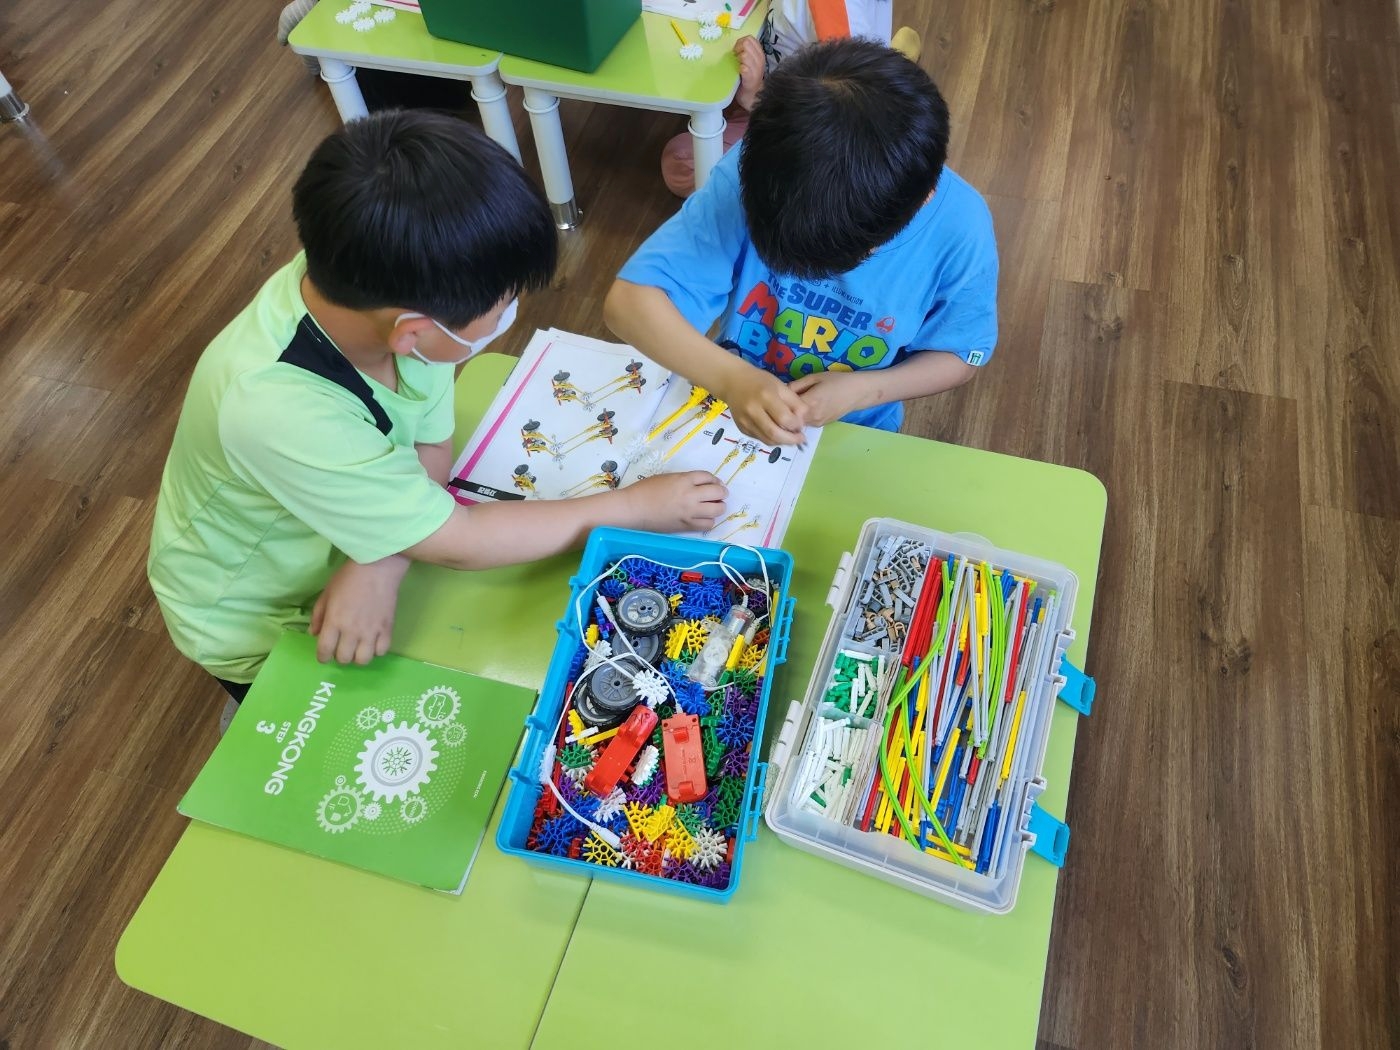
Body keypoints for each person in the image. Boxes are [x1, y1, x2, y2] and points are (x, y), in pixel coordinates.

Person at [148, 110, 726, 710]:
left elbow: (430, 447)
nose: (508, 314)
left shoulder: (374, 292)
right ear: (412, 332)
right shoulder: (277, 405)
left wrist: (383, 556)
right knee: (303, 725)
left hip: (352, 546)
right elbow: (458, 540)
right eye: (500, 305)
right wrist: (632, 507)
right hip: (260, 615)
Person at [610, 38, 998, 442]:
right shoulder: (758, 174)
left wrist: (865, 390)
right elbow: (628, 303)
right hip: (732, 407)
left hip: (861, 428)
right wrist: (731, 379)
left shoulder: (961, 230)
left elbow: (960, 354)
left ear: (923, 197)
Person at [660, 2, 921, 197]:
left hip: (810, 135)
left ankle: (895, 65)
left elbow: (843, 123)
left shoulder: (834, 14)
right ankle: (894, 59)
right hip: (786, 90)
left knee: (682, 163)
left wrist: (758, 95)